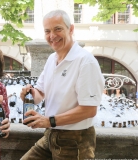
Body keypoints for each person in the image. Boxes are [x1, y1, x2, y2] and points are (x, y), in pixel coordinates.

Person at [20, 10, 104, 159]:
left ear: (71, 29)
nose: (52, 36)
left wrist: (48, 120)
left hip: (76, 140)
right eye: (47, 31)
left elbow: (89, 110)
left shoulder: (86, 61)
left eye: (58, 29)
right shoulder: (52, 59)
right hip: (51, 135)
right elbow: (40, 93)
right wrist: (31, 93)